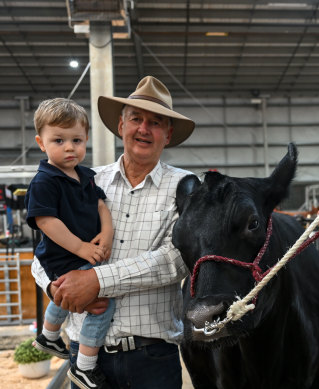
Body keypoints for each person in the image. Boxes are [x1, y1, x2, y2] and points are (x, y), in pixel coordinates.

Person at [31, 76, 196, 389]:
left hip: (152, 357)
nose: (143, 129)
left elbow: (175, 261)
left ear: (168, 134)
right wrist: (59, 291)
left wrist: (95, 281)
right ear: (121, 126)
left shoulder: (187, 188)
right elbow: (44, 253)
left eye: (156, 122)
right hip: (83, 356)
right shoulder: (84, 180)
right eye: (135, 119)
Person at [26, 98, 114, 389]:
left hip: (81, 253)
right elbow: (46, 222)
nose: (69, 147)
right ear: (41, 142)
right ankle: (84, 367)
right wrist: (81, 247)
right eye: (59, 140)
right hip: (62, 255)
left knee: (63, 294)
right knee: (102, 305)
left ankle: (49, 336)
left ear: (86, 139)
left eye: (76, 140)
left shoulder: (86, 175)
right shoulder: (44, 181)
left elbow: (101, 204)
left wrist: (107, 231)